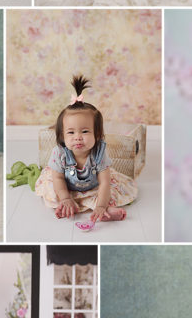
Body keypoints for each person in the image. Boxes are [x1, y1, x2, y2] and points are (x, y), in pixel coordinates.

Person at [34, 75, 137, 226]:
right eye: (71, 132)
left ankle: (103, 209)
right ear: (62, 136)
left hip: (93, 186)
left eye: (85, 131)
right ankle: (67, 204)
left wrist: (101, 205)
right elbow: (58, 178)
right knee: (51, 188)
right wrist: (65, 198)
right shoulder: (59, 153)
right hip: (65, 185)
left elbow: (104, 182)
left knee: (111, 188)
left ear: (97, 134)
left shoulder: (99, 153)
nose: (78, 137)